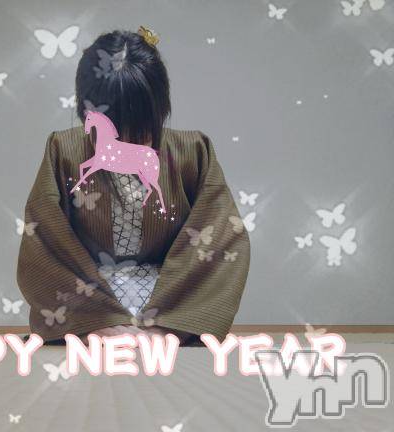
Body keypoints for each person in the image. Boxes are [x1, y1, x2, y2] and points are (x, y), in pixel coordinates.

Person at [17, 27, 251, 346]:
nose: (128, 137)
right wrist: (96, 322)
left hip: (170, 301)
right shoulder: (63, 150)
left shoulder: (194, 151)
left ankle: (168, 326)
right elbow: (44, 241)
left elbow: (222, 233)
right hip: (89, 302)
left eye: (140, 124)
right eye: (118, 124)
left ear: (160, 107)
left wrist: (169, 326)